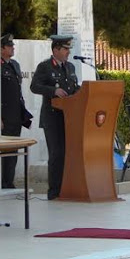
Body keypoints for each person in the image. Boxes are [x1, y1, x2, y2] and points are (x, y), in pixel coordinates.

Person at [30, 35, 80, 200]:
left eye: (68, 49)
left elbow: (74, 88)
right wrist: (53, 91)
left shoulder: (70, 67)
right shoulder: (45, 67)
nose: (68, 52)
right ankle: (54, 192)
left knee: (68, 153)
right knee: (57, 154)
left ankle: (67, 188)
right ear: (56, 50)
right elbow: (34, 86)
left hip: (69, 117)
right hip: (52, 117)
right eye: (65, 49)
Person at [0, 34, 32, 189]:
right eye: (9, 46)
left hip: (16, 115)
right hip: (4, 116)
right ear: (1, 49)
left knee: (14, 150)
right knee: (4, 150)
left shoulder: (15, 65)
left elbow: (18, 91)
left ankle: (9, 181)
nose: (13, 48)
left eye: (13, 45)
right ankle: (3, 182)